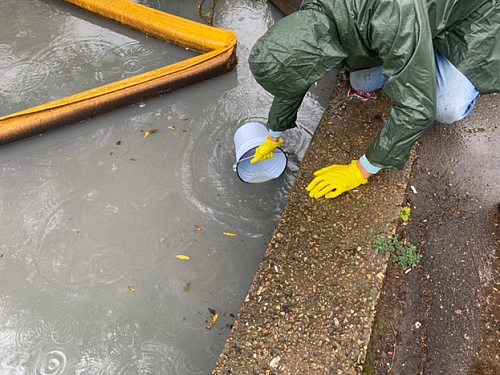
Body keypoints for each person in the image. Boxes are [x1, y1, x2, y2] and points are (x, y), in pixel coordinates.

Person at [248, 0, 499, 199]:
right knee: (362, 82)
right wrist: (275, 131)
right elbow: (295, 74)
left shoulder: (392, 15)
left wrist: (360, 170)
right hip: (413, 20)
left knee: (444, 106)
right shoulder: (311, 12)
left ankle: (446, 68)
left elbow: (417, 108)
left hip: (472, 19)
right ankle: (416, 50)